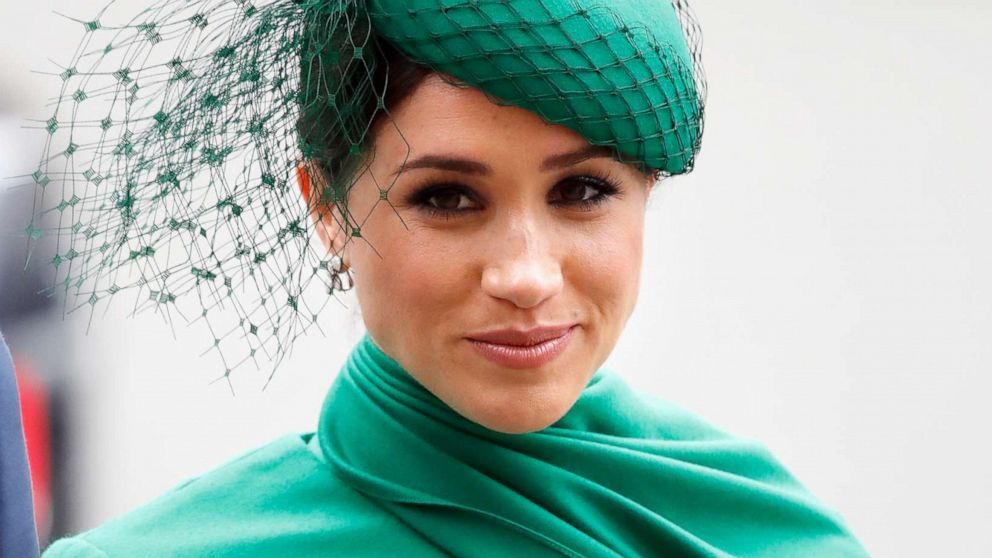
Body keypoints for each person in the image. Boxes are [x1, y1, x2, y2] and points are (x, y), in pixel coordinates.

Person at [34, 0, 871, 556]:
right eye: (446, 197)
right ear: (326, 204)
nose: (525, 274)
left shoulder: (760, 529)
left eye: (582, 190)